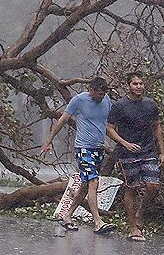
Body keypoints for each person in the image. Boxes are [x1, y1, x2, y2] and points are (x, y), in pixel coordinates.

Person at [41, 77, 117, 234]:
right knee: (93, 182)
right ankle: (98, 222)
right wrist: (49, 140)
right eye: (98, 94)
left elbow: (111, 123)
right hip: (83, 148)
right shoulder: (79, 100)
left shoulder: (106, 100)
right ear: (91, 90)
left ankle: (67, 215)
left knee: (84, 186)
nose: (100, 97)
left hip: (98, 148)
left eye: (103, 94)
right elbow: (63, 120)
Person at [106, 72, 164, 242]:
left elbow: (156, 128)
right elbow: (109, 128)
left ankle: (140, 213)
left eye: (141, 83)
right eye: (135, 84)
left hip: (148, 151)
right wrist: (124, 143)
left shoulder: (150, 105)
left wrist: (162, 152)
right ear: (128, 86)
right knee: (131, 188)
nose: (139, 86)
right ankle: (133, 227)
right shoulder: (119, 106)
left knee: (153, 186)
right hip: (128, 153)